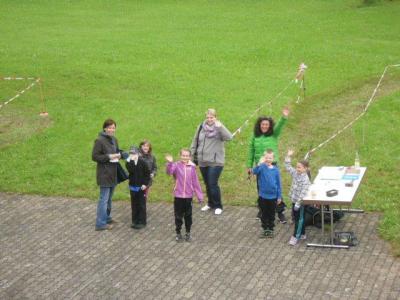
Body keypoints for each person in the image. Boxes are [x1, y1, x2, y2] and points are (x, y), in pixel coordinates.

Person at [246, 107, 289, 223]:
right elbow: (251, 151)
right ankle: (262, 210)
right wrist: (249, 165)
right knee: (261, 188)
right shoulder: (254, 136)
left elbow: (279, 126)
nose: (264, 126)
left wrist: (284, 117)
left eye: (267, 124)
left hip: (272, 165)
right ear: (259, 125)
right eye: (262, 124)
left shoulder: (273, 134)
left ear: (270, 126)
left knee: (274, 187)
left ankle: (280, 212)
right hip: (260, 167)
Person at [191, 108, 232, 215]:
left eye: (212, 117)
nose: (209, 119)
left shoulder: (219, 128)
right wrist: (192, 156)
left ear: (215, 117)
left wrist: (221, 127)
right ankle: (210, 203)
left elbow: (229, 137)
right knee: (207, 183)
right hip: (202, 160)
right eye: (208, 117)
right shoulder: (201, 127)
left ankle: (218, 205)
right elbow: (195, 141)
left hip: (215, 161)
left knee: (212, 183)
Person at [166, 149, 203, 242]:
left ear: (190, 157)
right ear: (180, 156)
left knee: (188, 216)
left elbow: (195, 182)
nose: (185, 157)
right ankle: (178, 233)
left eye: (187, 156)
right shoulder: (176, 165)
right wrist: (170, 163)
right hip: (178, 196)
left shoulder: (192, 167)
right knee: (178, 216)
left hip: (188, 196)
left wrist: (199, 195)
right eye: (183, 155)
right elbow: (169, 172)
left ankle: (188, 233)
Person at [92, 119, 123, 231]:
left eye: (113, 128)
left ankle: (106, 218)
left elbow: (117, 151)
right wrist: (109, 157)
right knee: (103, 199)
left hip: (113, 173)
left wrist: (121, 154)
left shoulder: (114, 139)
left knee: (109, 198)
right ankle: (100, 224)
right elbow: (95, 156)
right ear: (104, 128)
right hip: (104, 174)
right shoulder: (99, 141)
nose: (111, 130)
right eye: (109, 127)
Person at [251, 150, 282, 238]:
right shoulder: (262, 167)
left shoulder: (276, 170)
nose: (268, 159)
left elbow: (279, 184)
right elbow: (254, 171)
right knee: (264, 213)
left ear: (273, 159)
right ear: (264, 158)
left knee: (271, 214)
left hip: (273, 197)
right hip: (263, 196)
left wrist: (279, 196)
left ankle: (271, 229)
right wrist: (259, 164)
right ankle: (265, 229)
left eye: (270, 158)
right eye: (266, 158)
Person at [284, 149, 311, 246]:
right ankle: (303, 233)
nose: (297, 169)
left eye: (299, 167)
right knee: (297, 218)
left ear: (305, 169)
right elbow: (287, 167)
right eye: (297, 167)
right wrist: (288, 156)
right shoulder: (296, 173)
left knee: (299, 219)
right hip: (294, 200)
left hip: (301, 203)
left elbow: (303, 193)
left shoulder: (306, 180)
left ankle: (295, 236)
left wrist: (298, 204)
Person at [126, 146, 151, 229]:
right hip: (133, 186)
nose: (132, 155)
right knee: (134, 204)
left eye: (134, 153)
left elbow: (147, 174)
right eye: (131, 153)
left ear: (138, 154)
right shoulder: (129, 162)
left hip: (141, 187)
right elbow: (131, 171)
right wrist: (130, 161)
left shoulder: (143, 162)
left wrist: (145, 184)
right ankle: (135, 221)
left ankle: (142, 221)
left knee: (141, 204)